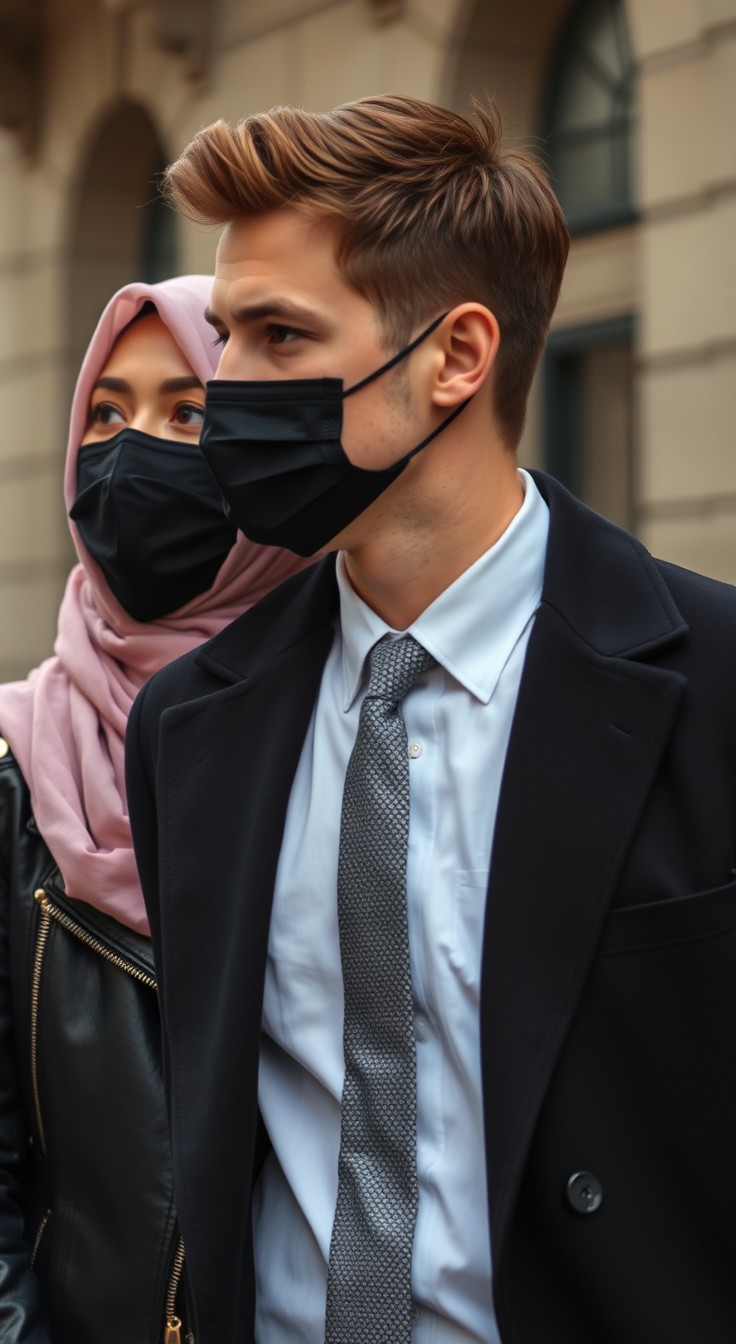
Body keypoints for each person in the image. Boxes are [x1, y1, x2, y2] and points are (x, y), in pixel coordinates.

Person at [126, 96, 736, 1344]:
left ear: (457, 357)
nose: (226, 383)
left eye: (280, 335)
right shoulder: (192, 726)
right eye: (227, 334)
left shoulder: (719, 684)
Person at [0, 274, 313, 1344]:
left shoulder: (357, 726)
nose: (128, 456)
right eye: (106, 415)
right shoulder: (7, 767)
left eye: (190, 414)